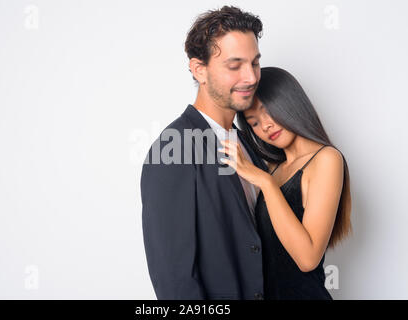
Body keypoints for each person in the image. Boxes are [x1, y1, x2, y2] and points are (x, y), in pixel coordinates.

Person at [141, 6, 267, 299]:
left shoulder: (249, 141)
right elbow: (175, 279)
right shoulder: (173, 148)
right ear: (200, 70)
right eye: (235, 66)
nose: (250, 77)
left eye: (255, 63)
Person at [219, 67, 352, 299]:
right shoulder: (273, 168)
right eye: (254, 123)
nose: (265, 126)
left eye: (267, 111)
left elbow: (307, 259)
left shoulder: (327, 159)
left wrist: (266, 183)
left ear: (289, 102)